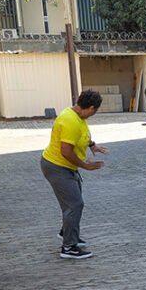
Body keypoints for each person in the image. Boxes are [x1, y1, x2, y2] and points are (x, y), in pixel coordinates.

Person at [40, 90, 108, 259]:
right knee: (75, 205)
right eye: (95, 111)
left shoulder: (78, 115)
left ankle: (67, 232)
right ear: (91, 108)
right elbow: (66, 151)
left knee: (72, 203)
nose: (94, 114)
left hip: (65, 167)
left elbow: (83, 134)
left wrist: (92, 145)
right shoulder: (70, 121)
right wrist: (85, 166)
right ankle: (69, 247)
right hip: (57, 167)